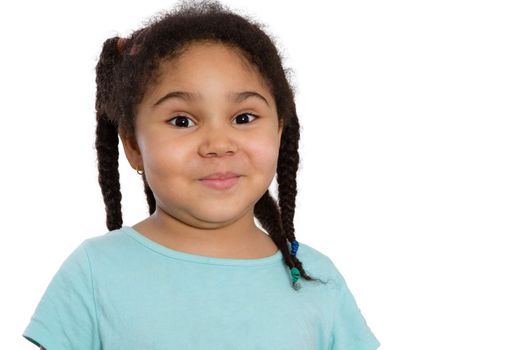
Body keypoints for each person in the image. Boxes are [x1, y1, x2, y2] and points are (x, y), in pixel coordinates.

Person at [22, 1, 381, 349]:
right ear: (133, 146)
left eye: (243, 118)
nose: (218, 144)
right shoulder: (93, 273)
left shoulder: (316, 278)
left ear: (280, 131)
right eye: (182, 121)